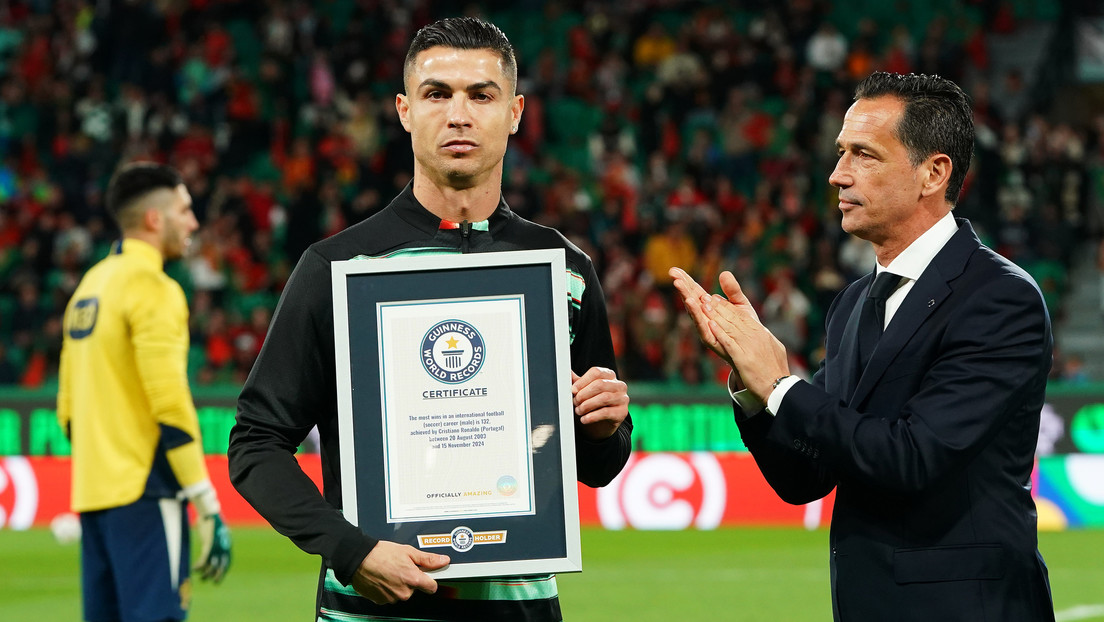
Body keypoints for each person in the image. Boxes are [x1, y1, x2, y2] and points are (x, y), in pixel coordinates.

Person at [228, 16, 632, 622]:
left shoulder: (562, 271)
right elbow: (256, 442)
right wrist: (352, 551)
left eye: (481, 96)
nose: (458, 115)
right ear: (405, 111)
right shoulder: (338, 268)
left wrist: (603, 428)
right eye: (437, 94)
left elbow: (598, 467)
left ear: (515, 112)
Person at [670, 72, 1055, 621]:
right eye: (840, 152)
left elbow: (911, 457)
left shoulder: (998, 298)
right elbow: (805, 477)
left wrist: (781, 385)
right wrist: (753, 388)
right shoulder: (853, 303)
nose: (837, 174)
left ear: (933, 173)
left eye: (864, 155)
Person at [57, 162, 232, 622]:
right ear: (155, 219)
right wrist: (205, 502)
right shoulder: (154, 287)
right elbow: (169, 402)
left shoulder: (90, 286)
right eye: (185, 210)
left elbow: (67, 409)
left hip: (94, 494)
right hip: (147, 491)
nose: (193, 222)